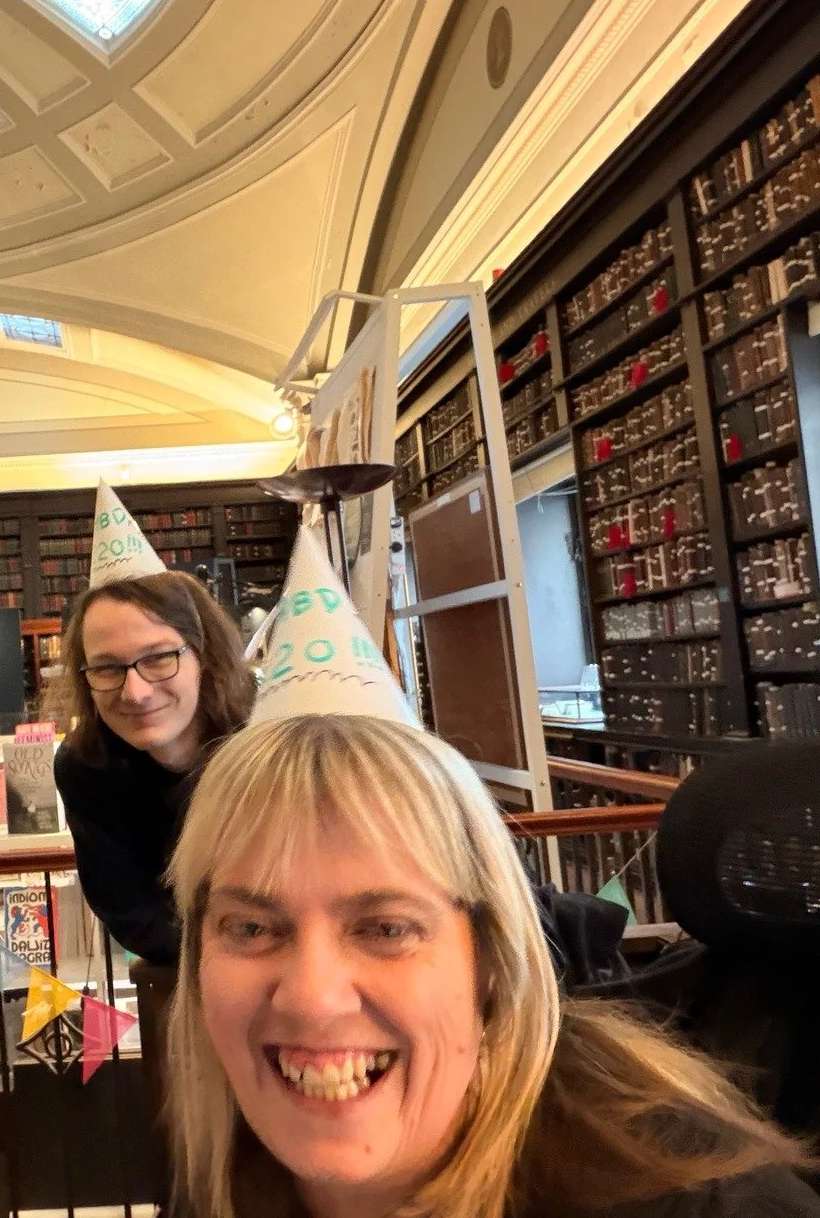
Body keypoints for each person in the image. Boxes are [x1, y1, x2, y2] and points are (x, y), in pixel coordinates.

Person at [166, 711, 820, 1218]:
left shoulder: (698, 1203)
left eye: (387, 928)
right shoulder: (221, 1172)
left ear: (489, 964)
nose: (311, 998)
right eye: (252, 928)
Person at [50, 483, 254, 965]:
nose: (135, 691)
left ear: (205, 656)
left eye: (159, 658)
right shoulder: (85, 768)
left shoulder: (272, 735)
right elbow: (132, 914)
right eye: (106, 667)